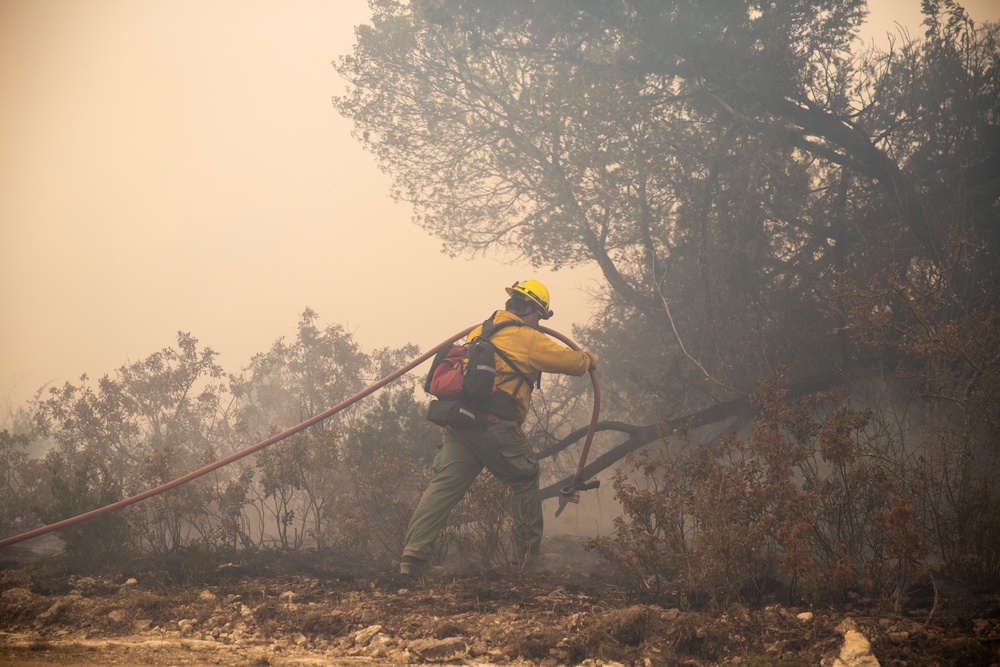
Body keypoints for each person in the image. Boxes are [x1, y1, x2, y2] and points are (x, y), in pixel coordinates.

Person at [400, 279, 597, 577]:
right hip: (495, 427)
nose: (540, 324)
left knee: (442, 487)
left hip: (460, 424)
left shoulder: (480, 331)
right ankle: (528, 559)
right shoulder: (526, 337)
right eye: (539, 317)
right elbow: (571, 362)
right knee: (525, 476)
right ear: (529, 309)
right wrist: (589, 359)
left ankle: (413, 559)